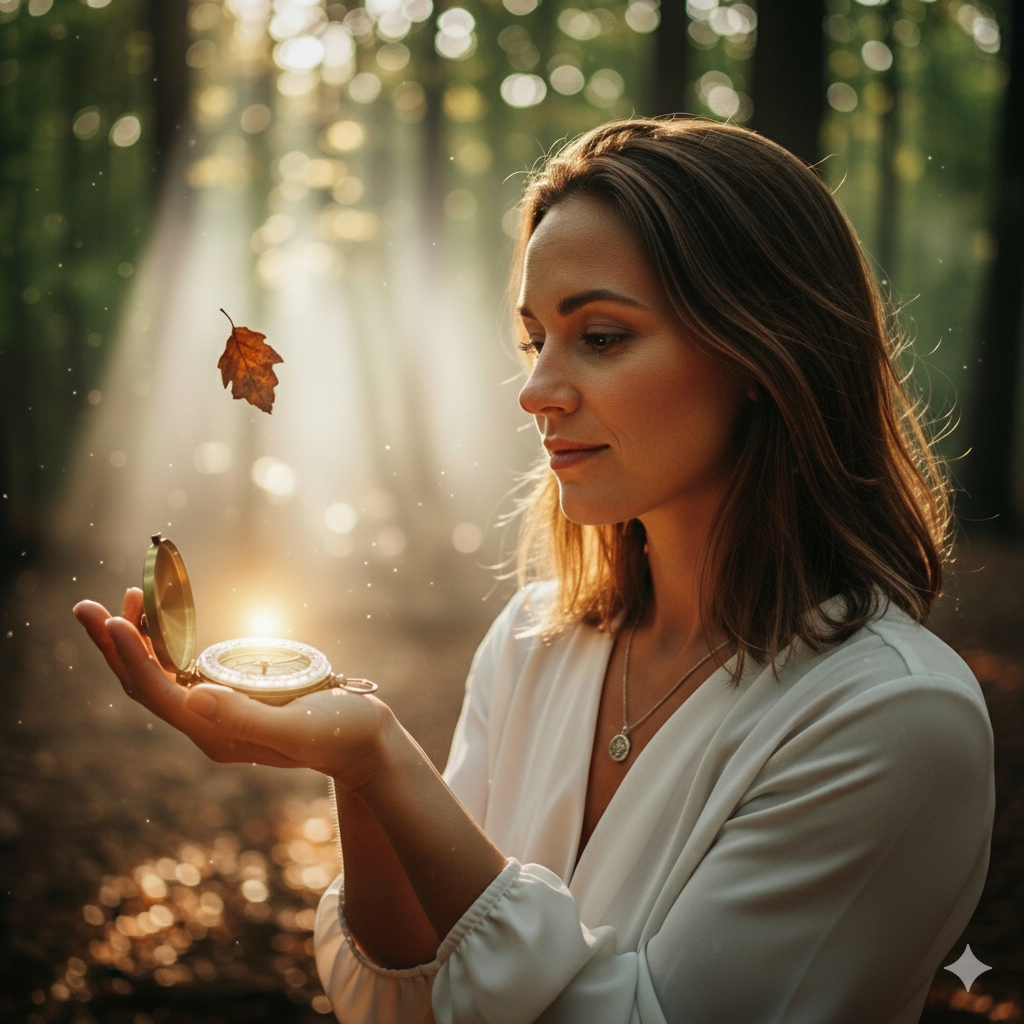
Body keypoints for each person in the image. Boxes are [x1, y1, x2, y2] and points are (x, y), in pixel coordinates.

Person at [75, 118, 994, 1024]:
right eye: (534, 340)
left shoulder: (893, 718)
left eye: (599, 336)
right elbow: (404, 1002)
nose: (535, 388)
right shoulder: (532, 642)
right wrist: (359, 776)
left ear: (759, 351)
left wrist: (386, 760)